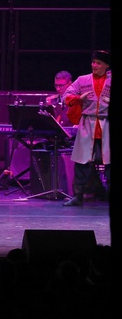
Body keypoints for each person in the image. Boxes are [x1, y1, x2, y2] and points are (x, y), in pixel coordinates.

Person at [62, 50, 110, 206]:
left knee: (109, 161)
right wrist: (78, 98)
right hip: (88, 124)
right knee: (82, 161)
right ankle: (78, 196)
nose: (94, 65)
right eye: (93, 62)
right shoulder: (83, 80)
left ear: (106, 65)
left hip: (106, 124)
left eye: (98, 63)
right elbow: (66, 95)